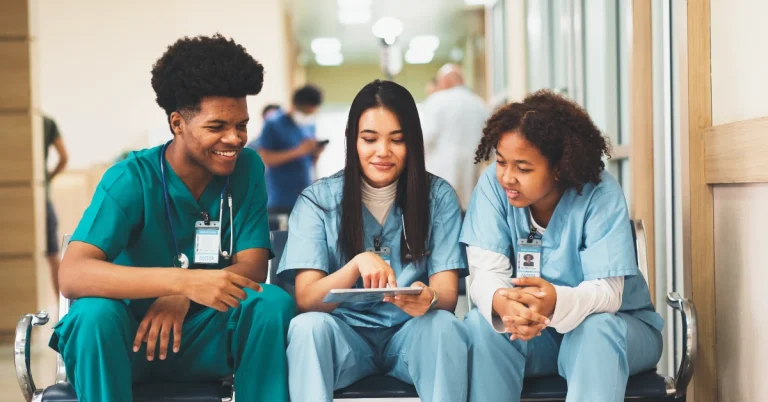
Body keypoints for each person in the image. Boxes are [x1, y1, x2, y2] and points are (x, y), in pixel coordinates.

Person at [49, 34, 295, 402]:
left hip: (202, 337)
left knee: (270, 303)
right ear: (177, 123)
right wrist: (180, 283)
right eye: (217, 127)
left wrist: (185, 297)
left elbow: (254, 265)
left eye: (241, 125)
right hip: (127, 340)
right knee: (92, 316)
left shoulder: (246, 169)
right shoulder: (131, 179)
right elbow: (73, 274)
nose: (234, 139)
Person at [461, 90, 664, 402]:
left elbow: (608, 293)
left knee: (596, 331)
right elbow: (485, 272)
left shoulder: (598, 193)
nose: (507, 178)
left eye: (523, 168)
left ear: (559, 167)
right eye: (501, 162)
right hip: (533, 334)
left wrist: (554, 302)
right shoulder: (493, 186)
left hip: (615, 328)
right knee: (483, 324)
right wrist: (504, 304)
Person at [278, 80, 469, 402]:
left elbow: (447, 296)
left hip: (412, 334)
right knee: (307, 327)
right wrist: (354, 265)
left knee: (445, 327)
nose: (383, 152)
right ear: (352, 140)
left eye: (398, 140)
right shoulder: (318, 200)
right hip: (344, 338)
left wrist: (429, 298)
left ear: (414, 143)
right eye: (369, 139)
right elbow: (307, 298)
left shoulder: (438, 197)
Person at [421, 63, 490, 210]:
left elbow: (424, 139)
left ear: (445, 81)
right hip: (470, 190)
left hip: (438, 186)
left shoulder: (437, 101)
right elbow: (489, 152)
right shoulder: (480, 105)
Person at [251, 84, 325, 214]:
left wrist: (316, 153)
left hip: (305, 197)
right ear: (296, 105)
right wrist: (299, 151)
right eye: (306, 111)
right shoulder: (273, 124)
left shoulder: (309, 125)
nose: (308, 115)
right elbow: (265, 158)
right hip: (280, 199)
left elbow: (309, 161)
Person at [42, 115, 68, 296]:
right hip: (41, 198)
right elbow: (64, 157)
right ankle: (62, 312)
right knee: (53, 256)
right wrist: (45, 179)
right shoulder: (46, 122)